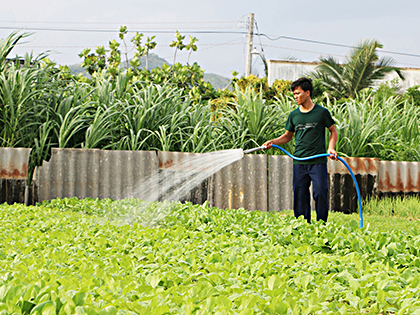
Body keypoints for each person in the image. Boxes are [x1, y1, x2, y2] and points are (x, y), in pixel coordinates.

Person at [263, 77, 338, 223]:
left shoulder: (321, 112)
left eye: (298, 93)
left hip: (318, 161)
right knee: (300, 194)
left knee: (320, 192)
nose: (295, 97)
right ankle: (303, 225)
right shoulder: (294, 115)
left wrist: (331, 148)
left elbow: (333, 131)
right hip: (299, 161)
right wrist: (273, 142)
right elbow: (287, 136)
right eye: (294, 94)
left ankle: (322, 224)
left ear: (308, 92)